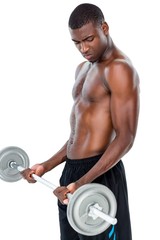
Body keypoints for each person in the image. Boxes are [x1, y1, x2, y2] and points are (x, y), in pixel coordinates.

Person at [22, 3, 140, 240]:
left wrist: (84, 181)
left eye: (89, 39)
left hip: (100, 175)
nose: (83, 48)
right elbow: (80, 135)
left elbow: (126, 137)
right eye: (77, 42)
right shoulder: (82, 69)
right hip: (71, 175)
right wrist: (47, 165)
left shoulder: (119, 69)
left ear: (104, 28)